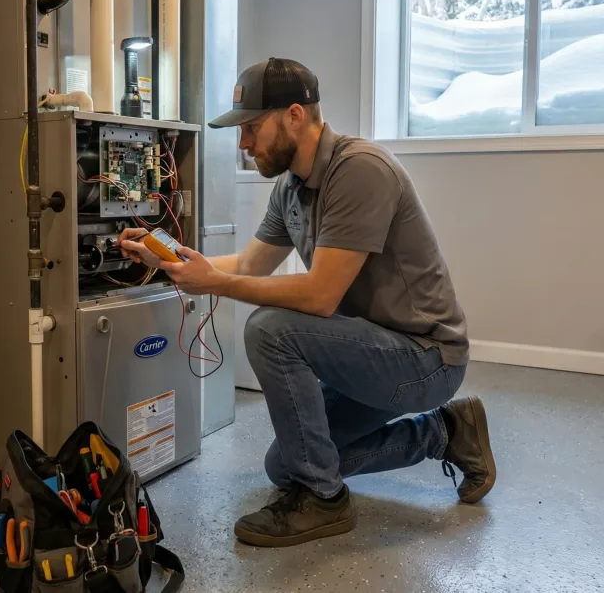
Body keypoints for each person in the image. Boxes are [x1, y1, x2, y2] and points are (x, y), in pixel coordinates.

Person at [118, 58, 495, 548]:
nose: (243, 143)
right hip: (371, 353)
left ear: (295, 115)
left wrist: (212, 284)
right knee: (285, 464)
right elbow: (252, 264)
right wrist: (170, 255)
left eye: (252, 127)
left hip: (426, 358)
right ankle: (445, 433)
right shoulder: (291, 187)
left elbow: (319, 296)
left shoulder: (360, 170)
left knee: (270, 329)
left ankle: (323, 501)